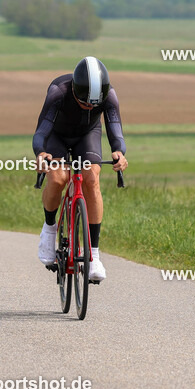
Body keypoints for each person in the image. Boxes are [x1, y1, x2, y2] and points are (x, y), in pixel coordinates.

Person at [32, 57, 128, 282]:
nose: (90, 107)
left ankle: (93, 254)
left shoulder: (109, 96)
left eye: (94, 104)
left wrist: (119, 152)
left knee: (91, 179)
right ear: (75, 90)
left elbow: (116, 130)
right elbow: (41, 131)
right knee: (57, 178)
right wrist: (40, 153)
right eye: (85, 103)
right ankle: (49, 229)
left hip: (88, 135)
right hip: (57, 136)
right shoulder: (59, 91)